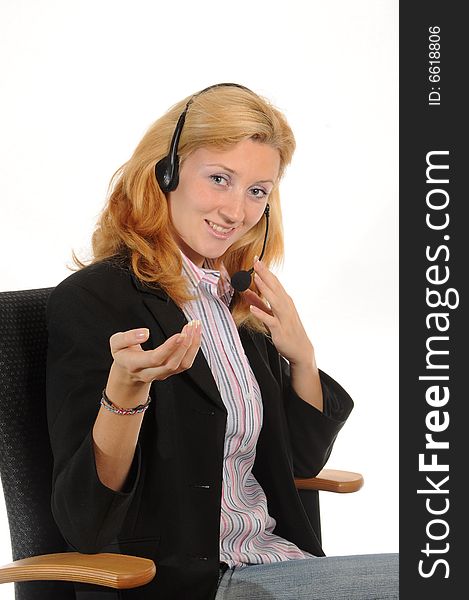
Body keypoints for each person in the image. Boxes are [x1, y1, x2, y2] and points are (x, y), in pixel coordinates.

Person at [46, 83, 398, 600]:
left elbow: (297, 467)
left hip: (280, 561)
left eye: (258, 191)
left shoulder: (233, 301)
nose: (237, 211)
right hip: (195, 582)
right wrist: (124, 394)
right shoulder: (96, 300)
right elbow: (86, 522)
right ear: (164, 174)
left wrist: (302, 358)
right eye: (219, 179)